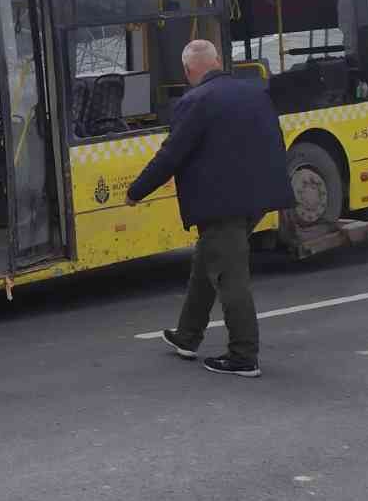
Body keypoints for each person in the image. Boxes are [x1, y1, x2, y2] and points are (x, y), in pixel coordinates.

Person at [126, 40, 294, 378]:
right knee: (207, 262)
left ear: (189, 71)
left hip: (221, 204)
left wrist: (136, 191)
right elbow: (274, 139)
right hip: (258, 198)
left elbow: (171, 155)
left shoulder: (195, 101)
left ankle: (243, 355)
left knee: (230, 277)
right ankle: (187, 336)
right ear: (217, 61)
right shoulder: (254, 92)